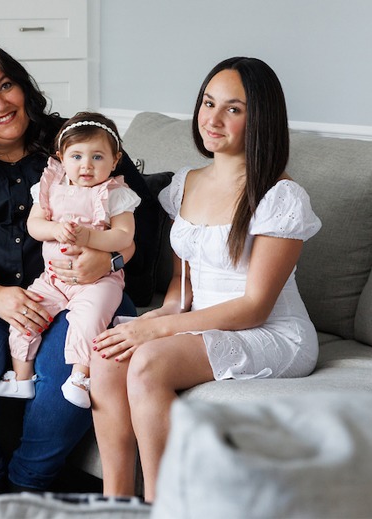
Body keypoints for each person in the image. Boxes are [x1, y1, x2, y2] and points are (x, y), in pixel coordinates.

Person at [0, 39, 157, 502]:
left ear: (24, 87)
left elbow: (145, 226)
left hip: (81, 290)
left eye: (6, 85)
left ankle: (26, 485)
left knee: (78, 368)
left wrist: (110, 258)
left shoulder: (79, 141)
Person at [90, 56, 322, 502]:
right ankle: (116, 503)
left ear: (261, 121)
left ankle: (163, 504)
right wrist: (154, 317)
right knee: (106, 354)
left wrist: (154, 330)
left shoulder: (280, 196)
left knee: (148, 361)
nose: (212, 119)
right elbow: (183, 289)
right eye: (207, 102)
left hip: (272, 330)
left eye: (233, 109)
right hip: (202, 318)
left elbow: (255, 305)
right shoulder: (186, 183)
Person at [0, 112, 140, 409]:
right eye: (77, 156)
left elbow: (123, 236)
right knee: (26, 315)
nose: (86, 165)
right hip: (52, 279)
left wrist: (89, 239)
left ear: (115, 159)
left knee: (88, 319)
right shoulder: (48, 188)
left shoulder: (116, 194)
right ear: (61, 157)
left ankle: (80, 377)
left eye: (97, 157)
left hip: (99, 281)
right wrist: (56, 229)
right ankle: (21, 378)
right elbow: (34, 226)